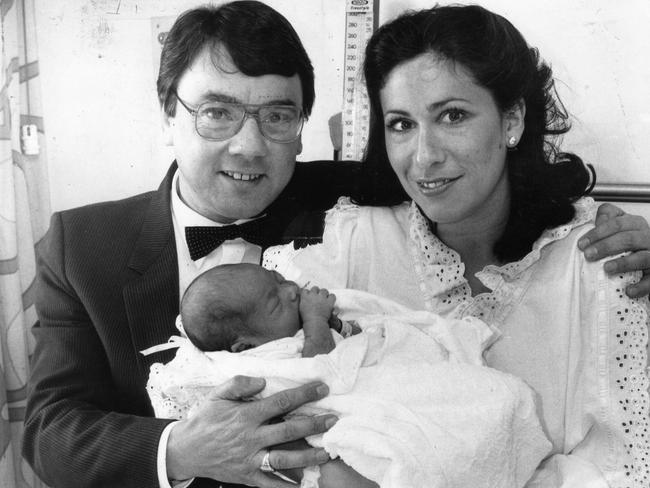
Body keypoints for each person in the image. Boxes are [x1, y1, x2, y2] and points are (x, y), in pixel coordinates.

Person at [21, 1, 650, 487]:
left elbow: (482, 192)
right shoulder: (83, 245)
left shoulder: (351, 206)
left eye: (277, 116)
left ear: (301, 129)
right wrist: (180, 450)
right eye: (216, 112)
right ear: (168, 114)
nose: (248, 145)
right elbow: (50, 427)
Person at [264, 4, 650, 487]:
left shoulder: (598, 260)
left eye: (452, 116)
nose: (424, 157)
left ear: (512, 119)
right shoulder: (352, 244)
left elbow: (619, 470)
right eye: (401, 124)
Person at [145, 263, 552, 488]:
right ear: (242, 346)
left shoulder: (271, 331)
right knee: (443, 432)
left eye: (279, 280)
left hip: (382, 393)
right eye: (274, 300)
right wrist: (317, 320)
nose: (290, 290)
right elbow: (321, 375)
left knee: (488, 400)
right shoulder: (263, 361)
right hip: (346, 426)